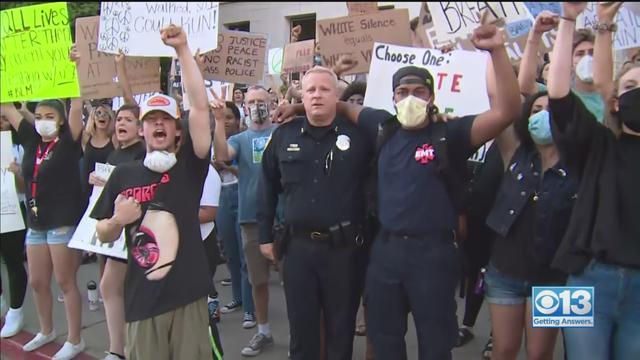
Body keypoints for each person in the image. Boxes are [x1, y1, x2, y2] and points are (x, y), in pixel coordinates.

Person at [274, 18, 521, 359]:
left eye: (419, 92)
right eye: (402, 93)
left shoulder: (452, 134)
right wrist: (299, 106)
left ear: (432, 96)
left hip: (433, 255)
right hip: (386, 254)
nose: (410, 99)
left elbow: (507, 111)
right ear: (392, 98)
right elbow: (342, 105)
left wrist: (496, 51)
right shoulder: (382, 127)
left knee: (435, 345)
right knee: (385, 341)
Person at [91, 25, 214, 360]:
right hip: (142, 302)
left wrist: (183, 50)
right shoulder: (124, 174)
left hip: (188, 296)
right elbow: (100, 232)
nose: (158, 124)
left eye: (167, 119)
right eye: (151, 119)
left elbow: (201, 109)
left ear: (177, 130)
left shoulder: (189, 167)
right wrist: (118, 220)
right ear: (143, 129)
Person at [253, 66, 371, 360]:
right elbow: (266, 187)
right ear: (301, 97)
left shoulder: (358, 138)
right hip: (298, 251)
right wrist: (264, 236)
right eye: (310, 90)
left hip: (344, 251)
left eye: (324, 89)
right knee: (302, 332)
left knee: (340, 332)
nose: (317, 95)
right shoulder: (283, 136)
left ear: (337, 96)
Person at [547, 3, 640, 359]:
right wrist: (570, 19)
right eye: (630, 86)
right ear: (615, 103)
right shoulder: (598, 144)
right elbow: (558, 94)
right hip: (585, 277)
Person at [483, 90, 577, 360]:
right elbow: (497, 95)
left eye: (552, 110)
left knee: (540, 353)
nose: (543, 116)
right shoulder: (514, 150)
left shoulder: (584, 162)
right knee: (503, 349)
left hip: (556, 278)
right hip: (504, 272)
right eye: (536, 110)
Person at [2, 93, 86, 359]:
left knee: (65, 281)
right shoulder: (31, 140)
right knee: (38, 281)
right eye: (38, 117)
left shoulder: (68, 144)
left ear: (61, 121)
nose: (43, 122)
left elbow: (77, 105)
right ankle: (46, 330)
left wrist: (75, 80)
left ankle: (75, 339)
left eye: (50, 117)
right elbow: (7, 106)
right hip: (36, 223)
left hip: (61, 222)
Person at [212, 85, 276, 356]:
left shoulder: (281, 132)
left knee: (295, 283)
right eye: (251, 102)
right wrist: (217, 121)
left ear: (271, 104)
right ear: (245, 107)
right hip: (251, 218)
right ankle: (263, 331)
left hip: (283, 218)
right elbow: (222, 156)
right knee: (257, 280)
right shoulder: (241, 138)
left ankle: (300, 334)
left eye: (262, 101)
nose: (257, 106)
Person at [518, 10, 605, 123]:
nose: (587, 58)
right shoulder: (560, 95)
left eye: (592, 53)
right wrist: (535, 34)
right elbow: (525, 85)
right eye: (580, 54)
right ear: (570, 62)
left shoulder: (610, 95)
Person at [213, 102, 256, 326]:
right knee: (230, 251)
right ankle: (238, 299)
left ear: (238, 120)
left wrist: (226, 166)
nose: (227, 121)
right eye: (223, 117)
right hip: (221, 195)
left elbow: (249, 172)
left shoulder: (244, 141)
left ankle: (251, 307)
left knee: (245, 254)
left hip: (241, 194)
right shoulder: (214, 141)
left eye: (230, 117)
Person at [0, 115, 29, 339]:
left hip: (12, 210)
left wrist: (16, 173)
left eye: (4, 118)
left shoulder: (20, 147)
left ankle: (16, 311)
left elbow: (26, 186)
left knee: (12, 261)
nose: (2, 122)